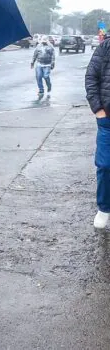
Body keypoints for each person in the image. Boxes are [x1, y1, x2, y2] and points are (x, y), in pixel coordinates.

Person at [86, 32, 110, 229]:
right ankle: (104, 208)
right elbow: (91, 78)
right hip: (107, 120)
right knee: (105, 165)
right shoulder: (105, 47)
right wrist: (98, 109)